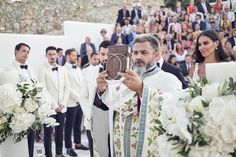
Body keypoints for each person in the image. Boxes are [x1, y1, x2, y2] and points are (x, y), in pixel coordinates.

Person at [97, 34, 182, 157]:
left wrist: (142, 89)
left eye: (144, 52)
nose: (138, 57)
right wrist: (102, 90)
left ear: (157, 55)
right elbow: (114, 104)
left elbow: (175, 107)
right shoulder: (123, 79)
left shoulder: (169, 79)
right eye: (135, 53)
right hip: (122, 148)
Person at [1, 43, 36, 157]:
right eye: (23, 51)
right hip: (18, 111)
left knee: (31, 140)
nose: (26, 54)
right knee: (19, 142)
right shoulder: (8, 69)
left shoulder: (31, 68)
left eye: (28, 52)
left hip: (32, 110)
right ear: (16, 51)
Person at [79, 40, 112, 157]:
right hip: (93, 121)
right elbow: (82, 97)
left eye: (109, 54)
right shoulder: (86, 72)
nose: (105, 57)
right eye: (103, 54)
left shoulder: (121, 74)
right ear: (99, 54)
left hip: (114, 123)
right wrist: (90, 115)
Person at [39, 46, 70, 157]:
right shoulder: (42, 70)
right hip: (49, 107)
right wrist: (55, 105)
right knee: (48, 133)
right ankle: (48, 154)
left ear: (57, 55)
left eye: (54, 54)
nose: (52, 57)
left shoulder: (63, 70)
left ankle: (59, 153)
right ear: (46, 56)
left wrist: (62, 104)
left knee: (60, 132)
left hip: (62, 107)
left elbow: (67, 88)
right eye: (50, 54)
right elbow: (43, 89)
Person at [64, 48, 89, 157]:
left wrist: (82, 98)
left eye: (76, 55)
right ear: (68, 56)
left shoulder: (78, 68)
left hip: (80, 101)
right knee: (69, 126)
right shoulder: (63, 69)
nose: (76, 57)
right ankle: (69, 147)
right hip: (71, 101)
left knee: (78, 124)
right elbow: (67, 87)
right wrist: (78, 98)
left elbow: (81, 84)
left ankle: (78, 143)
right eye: (73, 55)